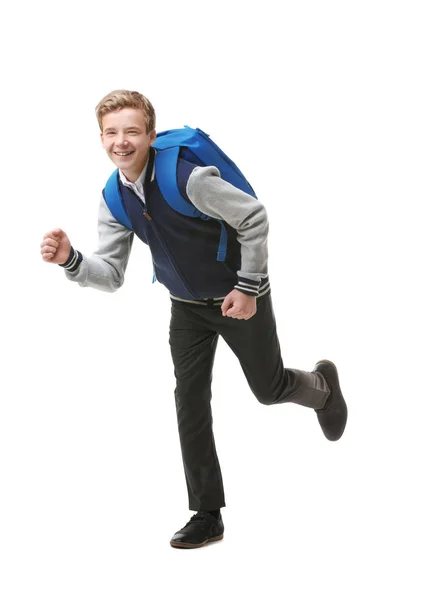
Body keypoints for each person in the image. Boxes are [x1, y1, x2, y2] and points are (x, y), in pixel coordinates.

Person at [40, 89, 348, 549]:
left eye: (131, 131)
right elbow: (111, 275)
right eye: (110, 133)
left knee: (269, 389)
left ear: (149, 133)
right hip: (185, 308)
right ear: (100, 137)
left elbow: (254, 218)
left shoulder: (188, 178)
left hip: (238, 297)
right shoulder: (114, 197)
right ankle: (207, 514)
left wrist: (247, 288)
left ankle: (322, 388)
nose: (120, 142)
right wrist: (72, 260)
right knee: (189, 401)